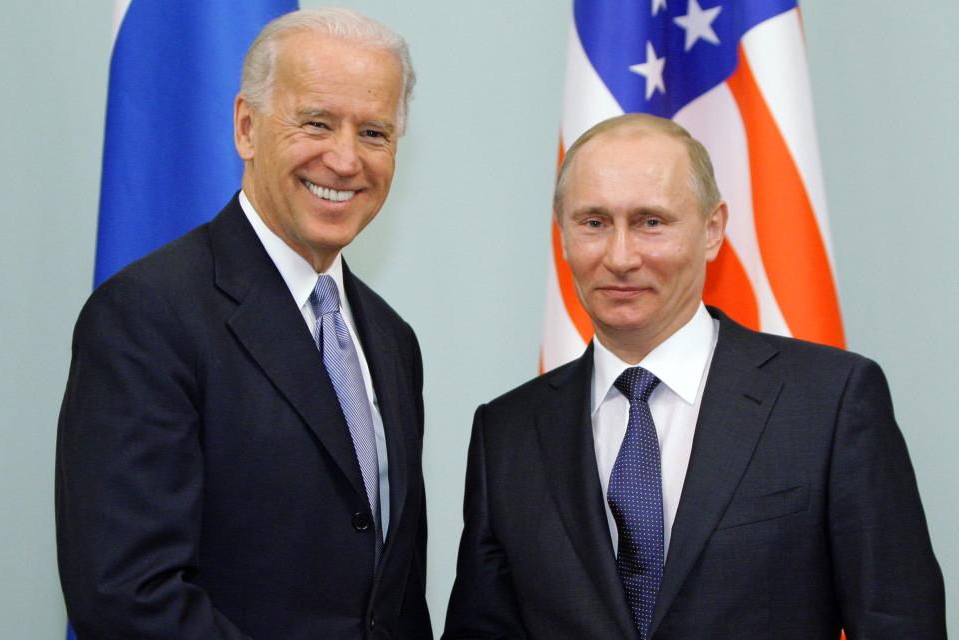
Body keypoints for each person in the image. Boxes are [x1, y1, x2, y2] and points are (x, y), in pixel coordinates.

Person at [442, 114, 945, 639]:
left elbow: (899, 622)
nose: (620, 257)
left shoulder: (829, 402)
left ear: (712, 230)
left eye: (650, 222)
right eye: (593, 222)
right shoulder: (507, 432)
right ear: (563, 234)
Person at [56, 8, 431, 639]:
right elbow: (127, 595)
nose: (345, 160)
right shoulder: (147, 315)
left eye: (373, 132)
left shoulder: (393, 341)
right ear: (247, 127)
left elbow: (390, 598)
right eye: (316, 123)